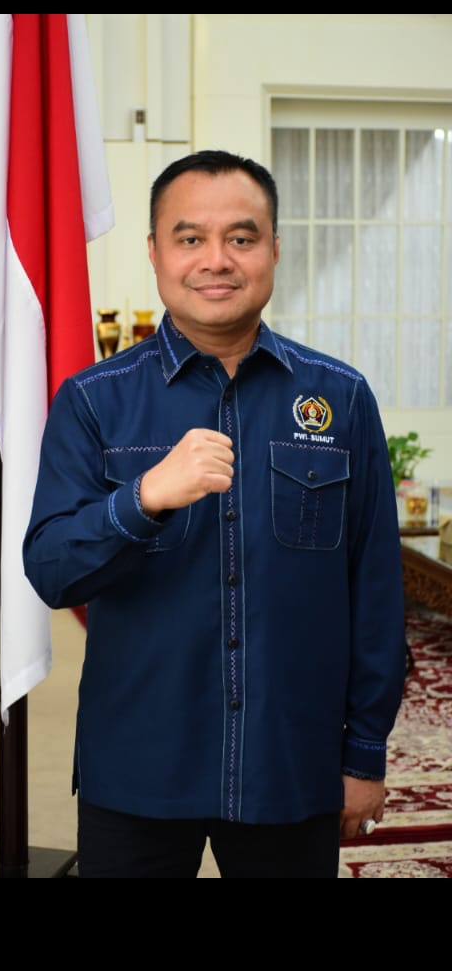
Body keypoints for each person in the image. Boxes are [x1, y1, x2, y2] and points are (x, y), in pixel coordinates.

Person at [23, 150, 406, 878]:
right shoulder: (93, 400)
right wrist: (143, 498)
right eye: (190, 238)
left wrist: (364, 754)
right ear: (155, 252)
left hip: (289, 763)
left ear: (274, 249)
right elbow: (50, 569)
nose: (217, 260)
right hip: (138, 764)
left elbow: (377, 592)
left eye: (242, 237)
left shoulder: (342, 397)